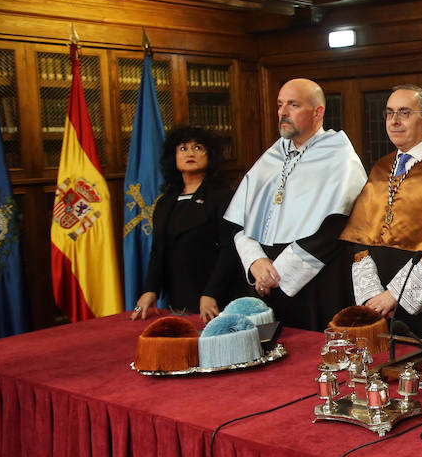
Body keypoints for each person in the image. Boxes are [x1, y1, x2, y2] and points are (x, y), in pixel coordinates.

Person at [224, 78, 367, 330]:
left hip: (314, 285)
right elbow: (241, 219)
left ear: (318, 112)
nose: (283, 113)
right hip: (264, 283)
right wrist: (256, 262)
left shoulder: (339, 156)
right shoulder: (272, 155)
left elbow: (335, 228)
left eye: (293, 105)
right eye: (280, 105)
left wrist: (278, 273)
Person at [339, 85, 422, 337]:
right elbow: (360, 238)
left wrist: (394, 295)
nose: (394, 121)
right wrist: (373, 295)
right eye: (389, 113)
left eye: (404, 113)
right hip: (378, 301)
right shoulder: (381, 167)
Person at [131, 126, 245, 323]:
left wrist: (212, 292)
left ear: (211, 155)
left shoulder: (222, 196)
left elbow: (230, 249)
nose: (190, 153)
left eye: (198, 148)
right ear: (173, 156)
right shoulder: (165, 202)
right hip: (179, 294)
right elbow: (158, 251)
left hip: (214, 296)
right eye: (183, 148)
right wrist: (150, 289)